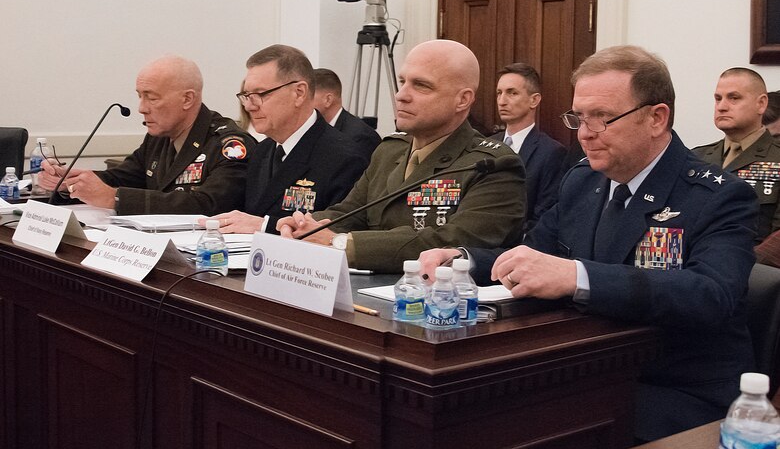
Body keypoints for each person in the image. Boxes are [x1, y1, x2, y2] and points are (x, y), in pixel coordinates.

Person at [419, 46, 757, 443]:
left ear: (656, 117)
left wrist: (577, 276)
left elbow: (711, 294)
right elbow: (538, 253)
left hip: (675, 387)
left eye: (602, 118)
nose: (584, 133)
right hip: (586, 369)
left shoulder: (716, 195)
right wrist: (464, 259)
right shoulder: (583, 180)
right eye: (579, 117)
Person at [277, 39, 526, 273]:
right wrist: (305, 226)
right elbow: (351, 212)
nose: (401, 94)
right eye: (403, 81)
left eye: (421, 85)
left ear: (462, 99)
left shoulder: (493, 165)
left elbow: (449, 240)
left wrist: (343, 243)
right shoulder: (390, 150)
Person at [38, 56, 254, 215]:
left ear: (187, 99)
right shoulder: (159, 136)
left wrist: (114, 198)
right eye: (140, 97)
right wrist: (72, 182)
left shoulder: (229, 144)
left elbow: (208, 204)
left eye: (152, 98)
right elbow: (122, 177)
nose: (141, 108)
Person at [206, 45, 367, 235]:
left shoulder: (344, 158)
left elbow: (335, 232)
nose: (249, 106)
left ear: (299, 93)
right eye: (246, 96)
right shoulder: (262, 151)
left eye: (260, 94)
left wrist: (266, 226)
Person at [693, 68, 780, 242]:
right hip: (694, 263)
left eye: (734, 98)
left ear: (761, 104)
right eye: (718, 99)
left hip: (755, 266)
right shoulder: (695, 158)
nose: (722, 107)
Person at [491, 63, 566, 231]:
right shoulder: (485, 145)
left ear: (534, 100)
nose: (502, 101)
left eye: (512, 93)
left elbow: (545, 213)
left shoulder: (551, 152)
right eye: (499, 93)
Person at [312, 68, 381, 164]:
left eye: (309, 97)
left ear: (328, 100)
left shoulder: (360, 138)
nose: (302, 102)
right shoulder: (315, 130)